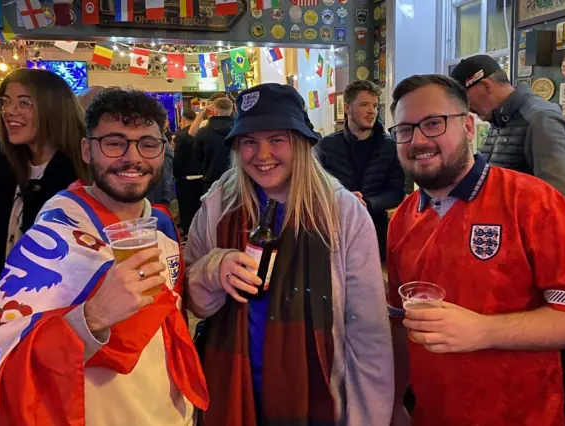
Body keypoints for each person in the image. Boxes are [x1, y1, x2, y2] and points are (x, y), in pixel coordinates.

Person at [386, 74, 565, 426]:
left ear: (467, 126)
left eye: (433, 123)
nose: (418, 140)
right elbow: (399, 324)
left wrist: (483, 331)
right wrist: (393, 399)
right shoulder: (403, 218)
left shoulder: (532, 200)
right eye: (404, 129)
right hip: (431, 413)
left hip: (522, 414)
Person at [0, 88, 208, 424]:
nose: (133, 158)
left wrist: (212, 275)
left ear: (164, 150)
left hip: (166, 412)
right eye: (114, 143)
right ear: (88, 150)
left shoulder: (159, 224)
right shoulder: (55, 234)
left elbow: (170, 314)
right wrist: (91, 318)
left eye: (147, 144)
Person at [185, 83, 393, 425]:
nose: (262, 155)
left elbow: (368, 333)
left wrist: (369, 417)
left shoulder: (341, 213)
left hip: (318, 395)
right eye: (249, 142)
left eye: (276, 140)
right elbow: (195, 304)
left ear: (300, 142)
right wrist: (213, 269)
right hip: (233, 391)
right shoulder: (218, 206)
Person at [0, 69, 90, 309]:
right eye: (6, 102)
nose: (9, 111)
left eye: (24, 103)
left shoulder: (81, 177)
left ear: (53, 109)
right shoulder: (6, 171)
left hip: (52, 314)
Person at [451, 54, 565, 222]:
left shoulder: (540, 120)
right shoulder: (500, 120)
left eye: (466, 99)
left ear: (486, 86)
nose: (468, 108)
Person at [316, 80, 405, 259]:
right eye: (364, 105)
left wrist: (368, 203)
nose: (372, 111)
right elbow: (317, 187)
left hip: (376, 230)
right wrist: (345, 198)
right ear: (347, 108)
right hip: (335, 230)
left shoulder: (391, 145)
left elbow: (397, 192)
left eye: (375, 105)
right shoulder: (326, 145)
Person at [173, 109, 204, 234]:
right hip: (202, 176)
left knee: (186, 210)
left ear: (183, 119)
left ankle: (188, 234)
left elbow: (178, 158)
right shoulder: (203, 133)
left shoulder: (180, 136)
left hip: (185, 178)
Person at [196, 96, 234, 195]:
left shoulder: (202, 132)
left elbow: (197, 158)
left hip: (211, 181)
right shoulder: (239, 131)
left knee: (211, 209)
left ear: (215, 111)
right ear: (231, 110)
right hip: (237, 180)